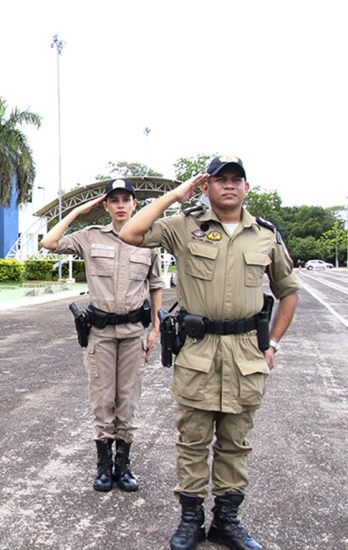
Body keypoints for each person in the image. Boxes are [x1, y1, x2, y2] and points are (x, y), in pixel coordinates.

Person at [119, 156, 300, 550]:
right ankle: (190, 519)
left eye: (237, 180)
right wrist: (177, 194)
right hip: (199, 352)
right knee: (193, 440)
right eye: (220, 180)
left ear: (247, 188)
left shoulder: (266, 235)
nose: (230, 186)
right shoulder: (186, 227)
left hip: (246, 353)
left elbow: (288, 292)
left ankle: (227, 521)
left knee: (236, 442)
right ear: (207, 187)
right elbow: (131, 232)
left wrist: (272, 344)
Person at [41, 179, 164, 493]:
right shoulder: (90, 237)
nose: (121, 205)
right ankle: (103, 467)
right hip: (102, 334)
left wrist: (156, 330)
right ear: (106, 205)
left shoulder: (149, 241)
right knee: (102, 400)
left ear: (135, 204)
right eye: (114, 200)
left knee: (128, 400)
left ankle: (124, 467)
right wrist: (80, 212)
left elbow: (155, 286)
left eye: (126, 199)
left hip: (135, 332)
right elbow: (50, 243)